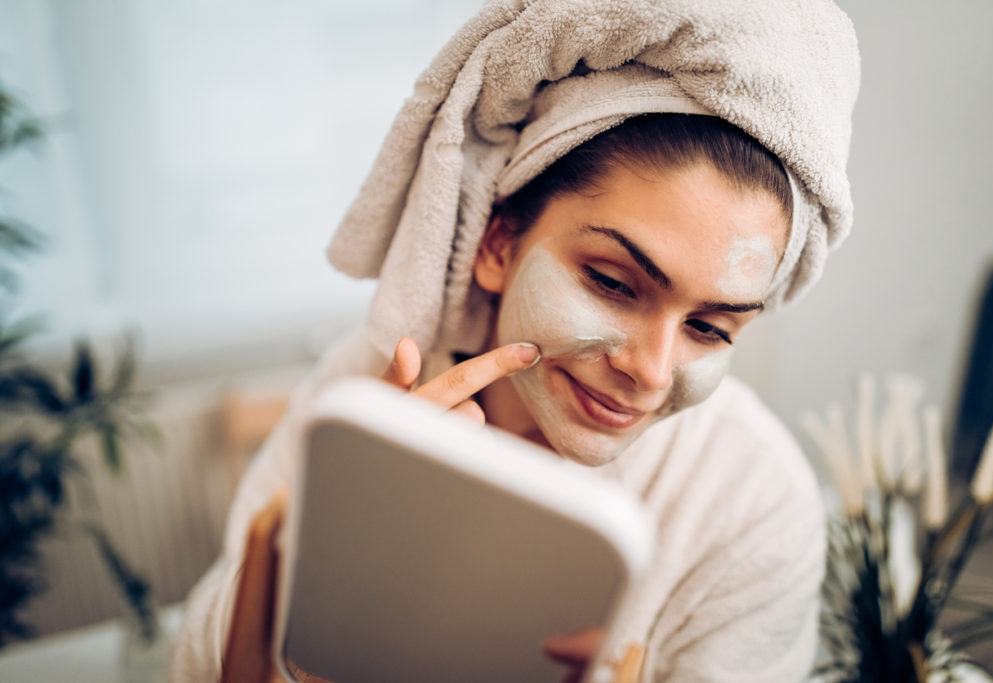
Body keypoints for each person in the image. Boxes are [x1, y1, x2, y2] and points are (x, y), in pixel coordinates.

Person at [171, 1, 860, 681]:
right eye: (612, 282)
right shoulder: (364, 388)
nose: (651, 373)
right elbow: (205, 657)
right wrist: (325, 579)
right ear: (498, 244)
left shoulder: (756, 502)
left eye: (709, 327)